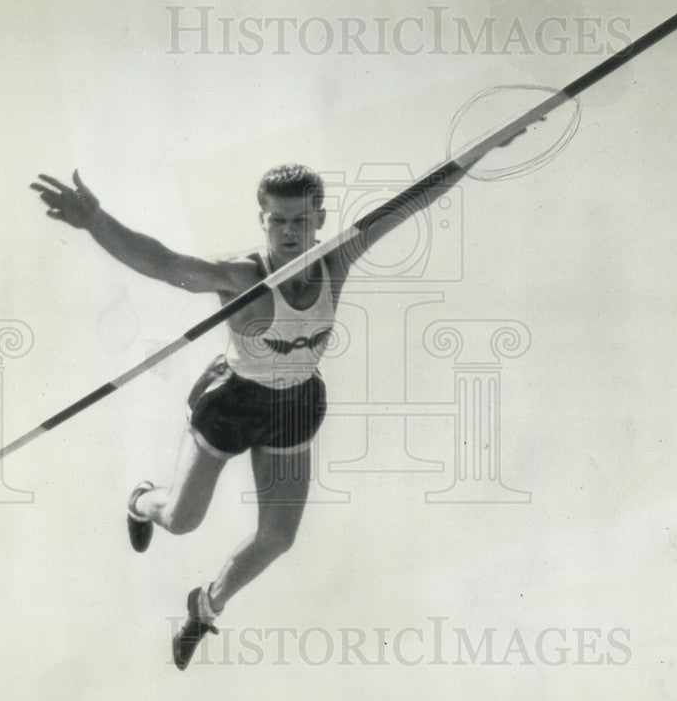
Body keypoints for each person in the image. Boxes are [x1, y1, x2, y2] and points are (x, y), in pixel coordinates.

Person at [29, 163, 462, 670]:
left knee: (278, 537)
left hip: (295, 405)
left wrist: (488, 144)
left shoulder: (336, 260)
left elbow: (411, 201)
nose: (289, 232)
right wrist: (96, 220)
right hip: (233, 403)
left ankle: (205, 606)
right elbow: (167, 264)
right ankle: (142, 500)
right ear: (263, 220)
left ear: (319, 219)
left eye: (300, 220)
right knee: (181, 520)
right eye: (277, 220)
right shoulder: (242, 276)